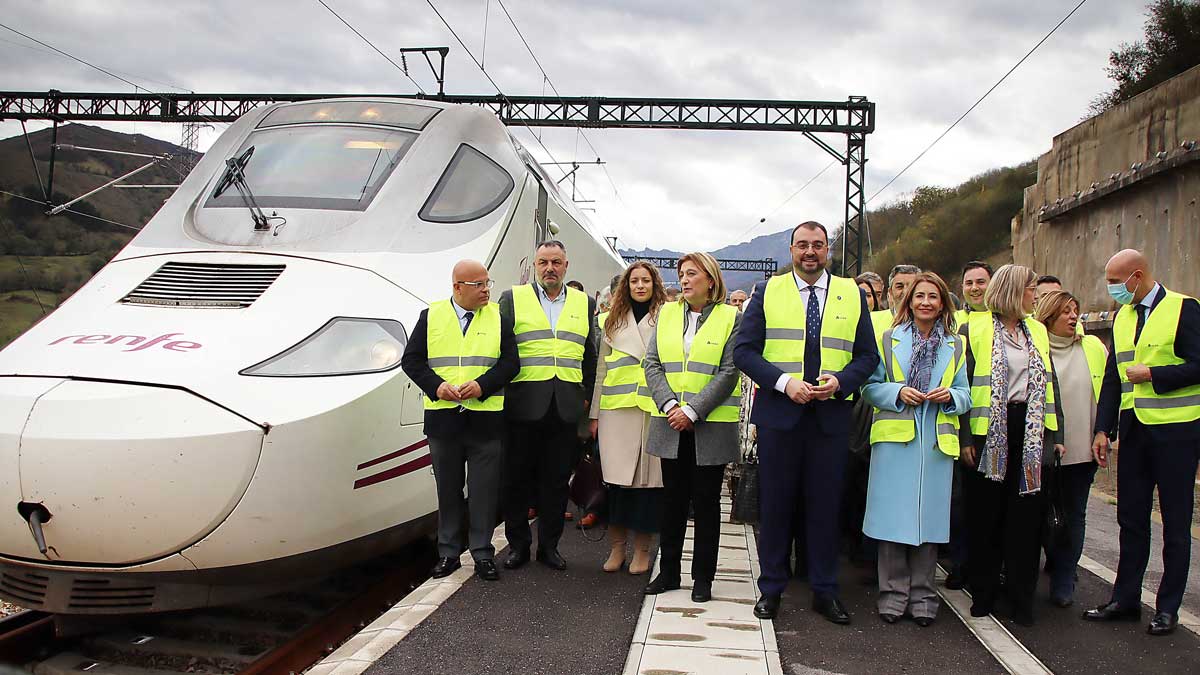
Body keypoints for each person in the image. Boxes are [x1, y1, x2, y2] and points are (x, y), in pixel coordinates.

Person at [734, 221, 880, 623]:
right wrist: (784, 383)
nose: (810, 252)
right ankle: (771, 589)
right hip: (781, 416)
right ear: (792, 249)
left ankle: (825, 590)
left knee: (825, 506)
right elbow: (744, 352)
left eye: (818, 245)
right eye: (803, 245)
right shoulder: (769, 290)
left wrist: (841, 383)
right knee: (777, 505)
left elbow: (868, 357)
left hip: (831, 417)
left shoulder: (851, 294)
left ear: (828, 249)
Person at [1083, 249, 1200, 636]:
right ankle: (1125, 599)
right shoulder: (1123, 317)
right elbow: (1115, 378)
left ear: (1137, 275)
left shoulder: (1184, 309)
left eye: (1116, 282)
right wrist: (1104, 429)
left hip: (1177, 432)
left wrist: (1154, 372)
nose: (1111, 289)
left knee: (1176, 524)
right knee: (1131, 519)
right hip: (1134, 433)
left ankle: (1168, 608)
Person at [861, 272, 970, 627]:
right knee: (893, 521)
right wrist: (897, 392)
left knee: (929, 523)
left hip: (936, 446)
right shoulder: (889, 339)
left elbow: (966, 394)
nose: (925, 302)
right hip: (895, 442)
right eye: (919, 296)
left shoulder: (956, 345)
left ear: (942, 304)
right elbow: (868, 388)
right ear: (908, 302)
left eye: (932, 297)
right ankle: (892, 594)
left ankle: (924, 596)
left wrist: (950, 396)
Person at [400, 260, 519, 582]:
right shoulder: (431, 316)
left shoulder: (498, 317)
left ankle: (482, 554)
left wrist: (483, 385)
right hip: (444, 420)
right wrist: (436, 386)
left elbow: (511, 363)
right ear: (457, 287)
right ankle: (449, 553)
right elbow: (410, 360)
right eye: (478, 284)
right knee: (448, 490)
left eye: (487, 283)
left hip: (486, 420)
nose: (486, 290)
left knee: (483, 492)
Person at [960, 263, 1061, 626]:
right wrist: (965, 437)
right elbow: (962, 381)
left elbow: (1051, 383)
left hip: (1031, 432)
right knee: (987, 515)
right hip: (989, 430)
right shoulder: (974, 328)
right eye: (1032, 289)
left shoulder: (1037, 330)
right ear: (1015, 291)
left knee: (1027, 518)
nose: (1037, 295)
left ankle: (1021, 598)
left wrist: (1055, 434)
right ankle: (983, 593)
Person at [642, 252, 742, 604]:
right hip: (670, 421)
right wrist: (670, 405)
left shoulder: (732, 317)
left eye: (691, 274)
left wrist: (693, 410)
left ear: (710, 281)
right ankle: (669, 572)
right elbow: (651, 363)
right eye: (681, 274)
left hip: (709, 425)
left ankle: (703, 578)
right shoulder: (667, 314)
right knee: (672, 501)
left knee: (706, 502)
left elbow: (729, 372)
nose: (683, 280)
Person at [499, 241, 598, 572]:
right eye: (543, 262)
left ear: (566, 265)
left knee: (556, 482)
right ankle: (518, 547)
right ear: (535, 265)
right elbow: (502, 349)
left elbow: (590, 355)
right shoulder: (513, 299)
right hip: (522, 405)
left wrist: (584, 395)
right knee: (517, 479)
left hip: (566, 406)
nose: (549, 268)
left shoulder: (585, 304)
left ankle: (550, 547)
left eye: (556, 262)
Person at [589, 262, 667, 575]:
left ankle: (642, 551)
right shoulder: (610, 320)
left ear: (654, 284)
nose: (639, 286)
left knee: (648, 486)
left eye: (645, 280)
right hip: (615, 411)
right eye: (634, 281)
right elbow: (601, 371)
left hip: (651, 410)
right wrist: (594, 415)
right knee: (616, 485)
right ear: (626, 286)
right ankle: (617, 548)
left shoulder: (667, 319)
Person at [1034, 290, 1106, 608]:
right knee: (1041, 517)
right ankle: (1039, 568)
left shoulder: (1093, 347)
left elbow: (1108, 392)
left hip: (1082, 450)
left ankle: (1064, 580)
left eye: (1075, 310)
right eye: (1065, 311)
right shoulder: (1035, 347)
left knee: (1074, 515)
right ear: (1048, 316)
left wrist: (1104, 432)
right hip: (1042, 451)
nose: (1073, 316)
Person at [946, 259, 993, 589]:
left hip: (1003, 428)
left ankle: (989, 568)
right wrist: (964, 437)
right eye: (969, 283)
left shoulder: (1017, 323)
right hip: (968, 427)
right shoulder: (954, 324)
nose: (975, 288)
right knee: (963, 504)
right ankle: (961, 565)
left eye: (981, 281)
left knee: (991, 505)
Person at [954, 261, 993, 327]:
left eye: (980, 282)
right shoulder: (951, 321)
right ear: (962, 287)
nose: (974, 288)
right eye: (969, 283)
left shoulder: (1006, 318)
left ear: (993, 284)